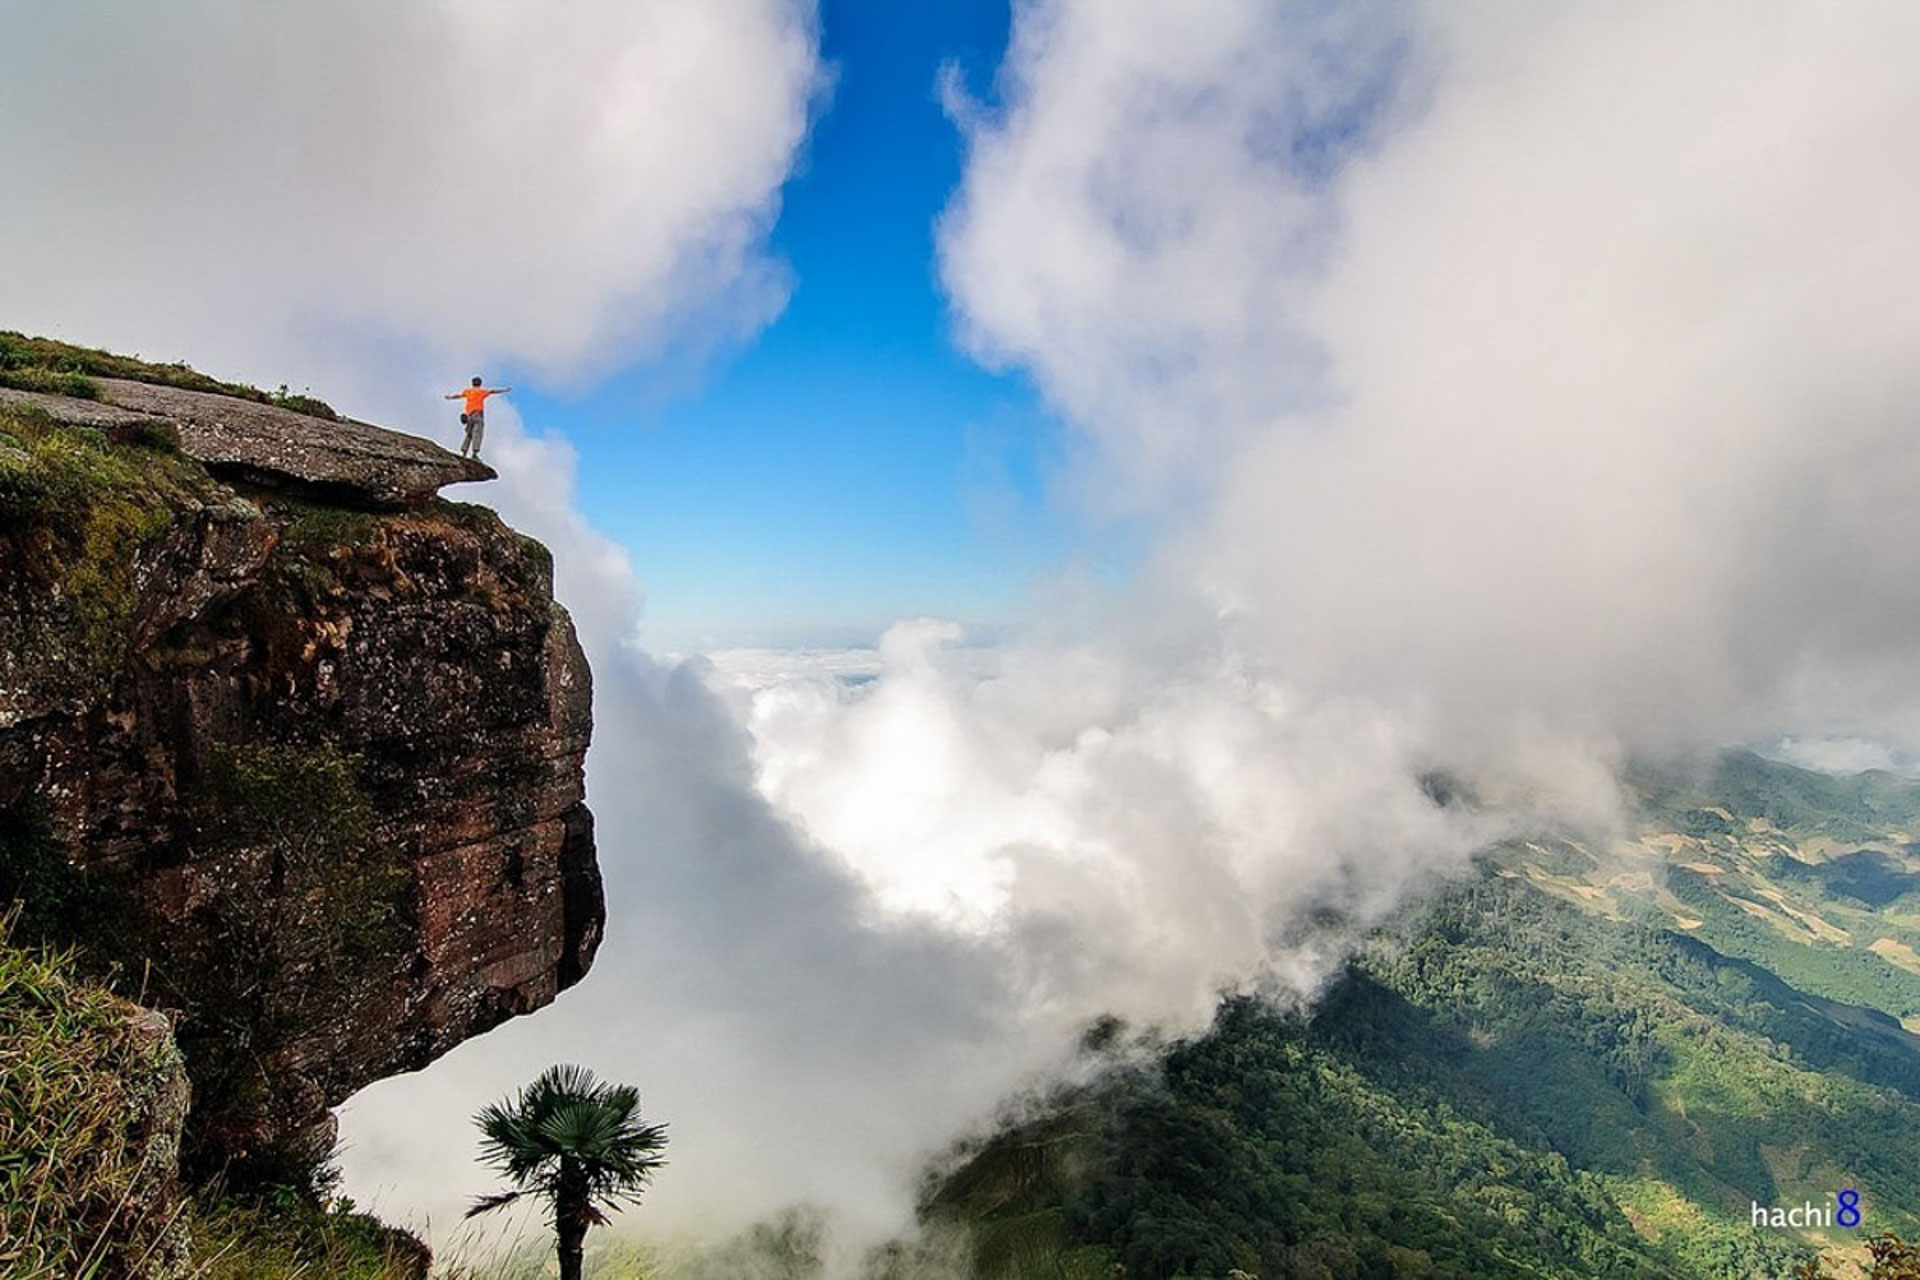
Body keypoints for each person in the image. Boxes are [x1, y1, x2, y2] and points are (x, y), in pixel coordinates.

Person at [446, 376, 510, 459]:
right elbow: (493, 391)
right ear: (480, 384)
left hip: (469, 416)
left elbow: (459, 395)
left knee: (469, 434)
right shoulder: (481, 392)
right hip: (478, 415)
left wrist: (450, 397)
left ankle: (464, 451)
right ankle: (474, 453)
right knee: (477, 433)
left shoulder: (468, 391)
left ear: (472, 383)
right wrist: (504, 390)